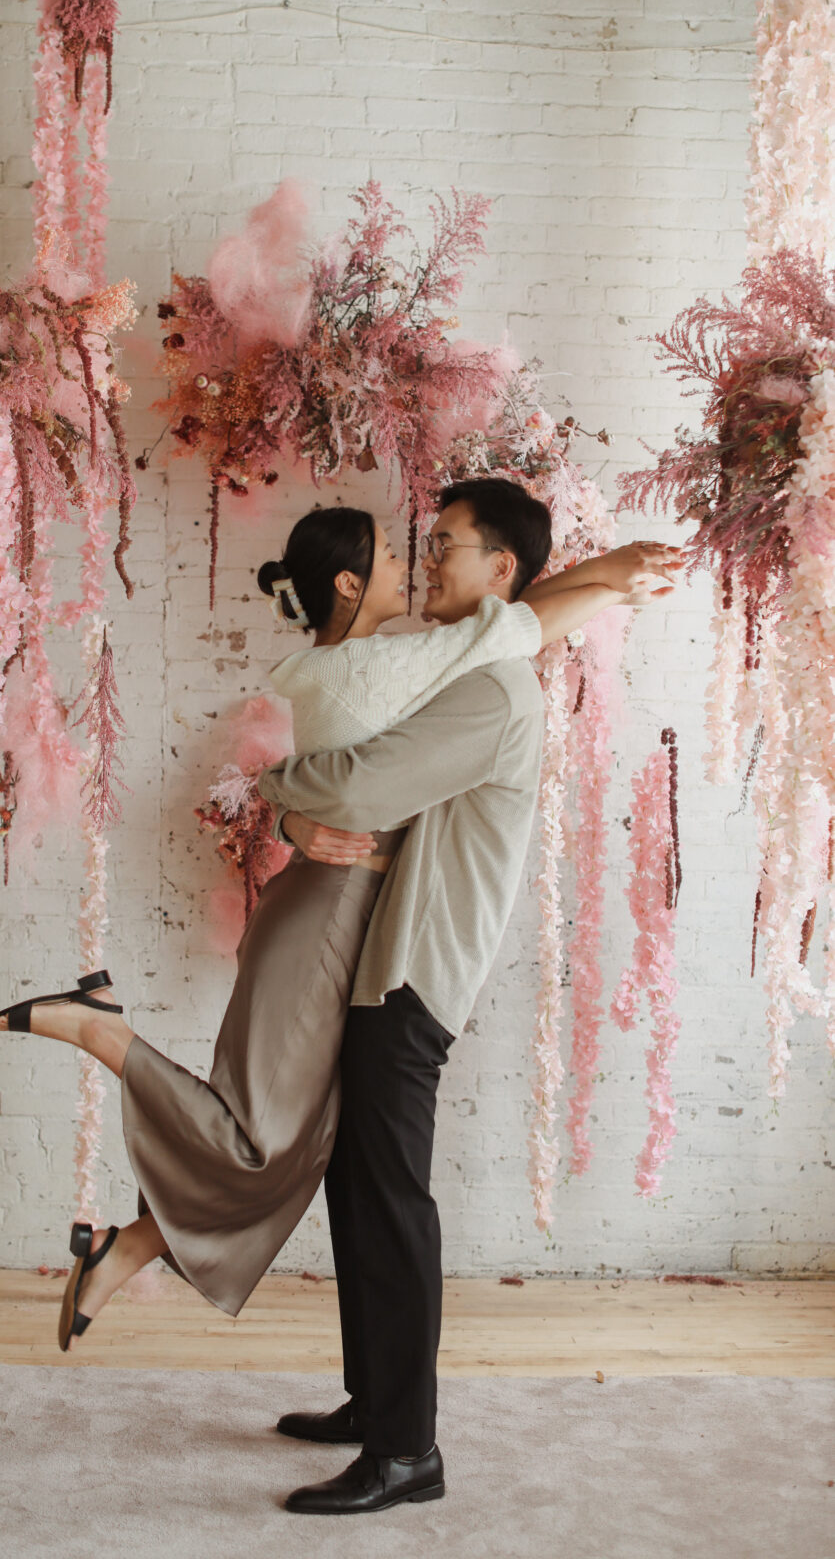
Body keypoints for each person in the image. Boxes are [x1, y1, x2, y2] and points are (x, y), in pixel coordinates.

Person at [0, 491, 678, 1371]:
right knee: (266, 1136)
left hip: (348, 917)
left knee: (298, 1142)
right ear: (350, 584)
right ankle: (101, 1030)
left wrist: (607, 575)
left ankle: (134, 1247)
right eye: (401, 554)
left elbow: (514, 626)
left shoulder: (399, 667)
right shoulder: (378, 670)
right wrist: (611, 576)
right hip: (333, 912)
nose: (417, 563)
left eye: (437, 548)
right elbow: (514, 630)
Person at [252, 478, 677, 1515]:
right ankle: (373, 1399)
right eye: (424, 543)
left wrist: (278, 789)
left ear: (500, 574)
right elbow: (339, 764)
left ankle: (406, 1451)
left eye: (444, 545)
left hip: (412, 972)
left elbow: (350, 786)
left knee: (390, 1199)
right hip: (379, 966)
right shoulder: (458, 669)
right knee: (359, 1188)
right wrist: (284, 798)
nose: (426, 559)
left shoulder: (486, 692)